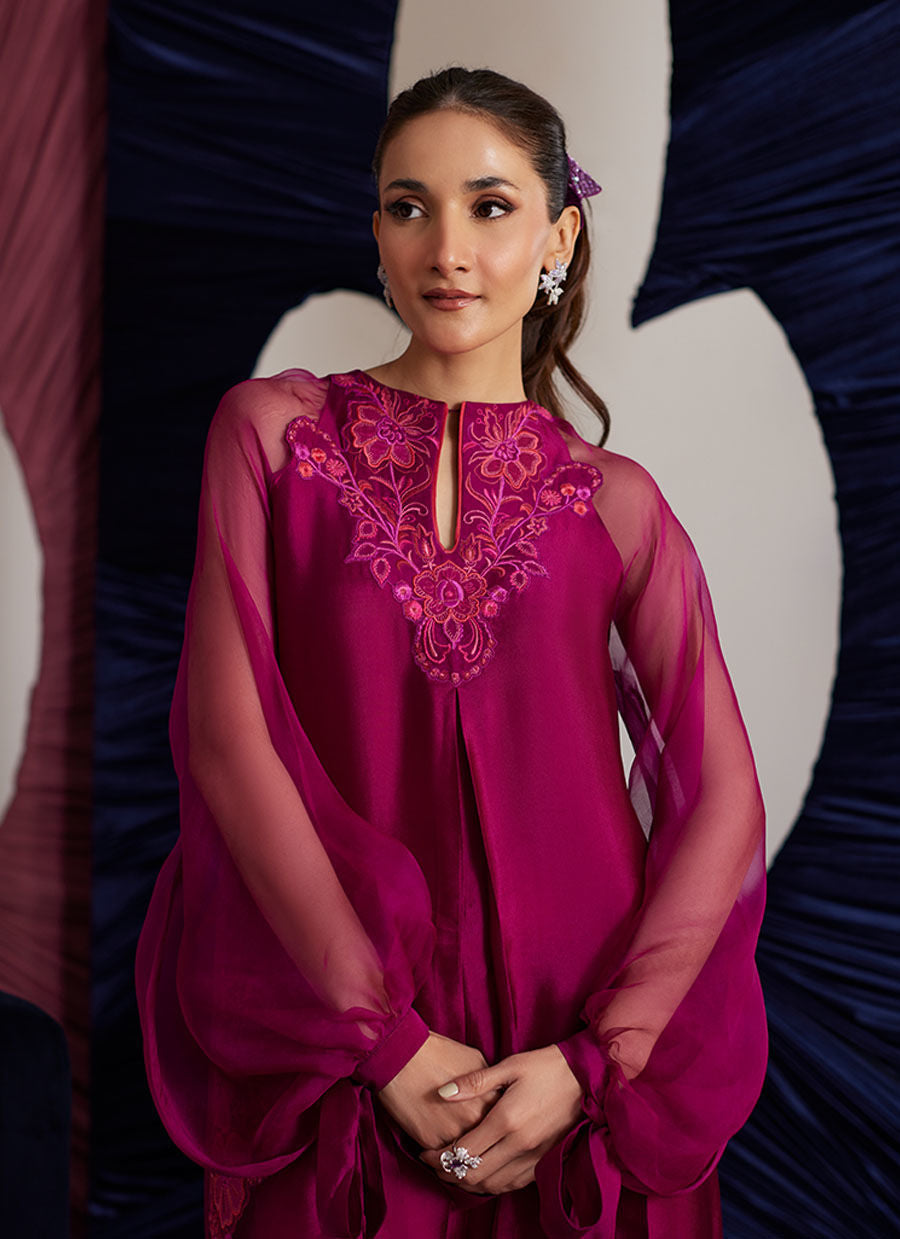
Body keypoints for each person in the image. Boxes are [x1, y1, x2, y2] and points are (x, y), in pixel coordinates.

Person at [136, 66, 768, 1239]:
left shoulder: (618, 501)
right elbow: (228, 744)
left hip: (566, 1055)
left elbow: (721, 794)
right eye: (408, 206)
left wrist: (599, 1059)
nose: (448, 249)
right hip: (348, 1045)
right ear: (376, 232)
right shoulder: (272, 436)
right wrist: (380, 1040)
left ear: (557, 236)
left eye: (489, 206)